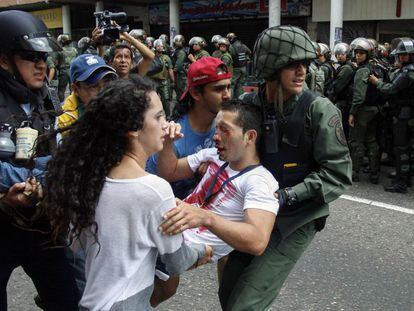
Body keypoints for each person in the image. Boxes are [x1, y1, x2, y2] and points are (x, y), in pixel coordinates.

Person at [44, 77, 211, 311]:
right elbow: (176, 262)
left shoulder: (90, 179)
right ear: (133, 128)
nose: (166, 124)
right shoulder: (155, 190)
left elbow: (78, 244)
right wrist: (203, 251)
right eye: (159, 116)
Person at [218, 25, 352, 310]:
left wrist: (289, 195)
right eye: (292, 64)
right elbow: (227, 152)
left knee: (246, 303)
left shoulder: (319, 110)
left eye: (304, 63)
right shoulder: (249, 105)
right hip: (256, 210)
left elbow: (337, 174)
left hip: (296, 218)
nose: (301, 71)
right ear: (271, 67)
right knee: (228, 292)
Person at [154, 99, 279, 305]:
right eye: (216, 128)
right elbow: (170, 171)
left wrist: (206, 218)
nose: (215, 137)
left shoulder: (260, 182)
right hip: (165, 233)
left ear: (250, 136)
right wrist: (167, 143)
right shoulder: (214, 156)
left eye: (224, 130)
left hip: (174, 247)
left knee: (158, 288)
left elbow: (257, 241)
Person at [0, 10, 80, 310]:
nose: (41, 65)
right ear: (4, 60)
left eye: (43, 58)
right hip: (2, 224)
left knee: (67, 300)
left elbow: (58, 152)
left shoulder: (44, 96)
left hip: (40, 224)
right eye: (30, 57)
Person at [146, 57, 232, 199]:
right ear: (196, 93)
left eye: (229, 87)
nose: (227, 95)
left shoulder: (225, 125)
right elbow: (151, 189)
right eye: (219, 89)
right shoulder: (172, 138)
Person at [369, 38, 414, 193]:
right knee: (405, 148)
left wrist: (376, 82)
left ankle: (401, 182)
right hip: (405, 114)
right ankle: (405, 177)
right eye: (401, 55)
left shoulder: (408, 72)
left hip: (403, 115)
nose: (401, 57)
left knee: (401, 149)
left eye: (405, 55)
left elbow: (391, 89)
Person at [348, 37, 385, 183]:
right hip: (376, 110)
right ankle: (374, 173)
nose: (358, 55)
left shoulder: (362, 71)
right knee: (371, 140)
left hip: (363, 111)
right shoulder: (377, 67)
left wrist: (352, 112)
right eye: (356, 53)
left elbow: (359, 96)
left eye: (361, 53)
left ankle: (354, 172)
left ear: (368, 54)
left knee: (357, 141)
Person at [58, 54, 118, 130]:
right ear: (75, 89)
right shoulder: (65, 121)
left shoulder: (116, 106)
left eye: (106, 83)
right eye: (94, 86)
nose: (103, 91)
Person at [330, 42, 356, 139]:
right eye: (337, 54)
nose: (339, 56)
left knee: (342, 131)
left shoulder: (346, 69)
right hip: (345, 103)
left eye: (342, 54)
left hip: (344, 104)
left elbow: (337, 87)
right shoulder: (345, 66)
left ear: (348, 55)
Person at [148, 39, 174, 117]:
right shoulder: (151, 56)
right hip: (153, 81)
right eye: (158, 46)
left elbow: (170, 69)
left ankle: (169, 116)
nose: (160, 47)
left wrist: (173, 81)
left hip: (164, 81)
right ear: (155, 47)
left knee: (165, 99)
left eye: (161, 46)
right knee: (152, 99)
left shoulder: (166, 58)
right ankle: (153, 115)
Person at [226, 32, 251, 98]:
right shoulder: (242, 44)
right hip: (244, 68)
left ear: (230, 39)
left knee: (232, 85)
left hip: (236, 68)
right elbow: (249, 51)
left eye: (228, 39)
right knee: (240, 84)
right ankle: (239, 100)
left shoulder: (231, 46)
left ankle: (230, 100)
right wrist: (246, 58)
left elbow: (231, 55)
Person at [55, 34, 78, 101]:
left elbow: (56, 63)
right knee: (73, 89)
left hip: (63, 72)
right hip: (73, 71)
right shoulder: (74, 50)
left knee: (61, 90)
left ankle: (61, 105)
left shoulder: (60, 50)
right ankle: (73, 103)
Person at [172, 34, 188, 100]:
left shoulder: (181, 52)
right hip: (179, 74)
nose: (178, 43)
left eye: (179, 41)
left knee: (181, 91)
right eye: (177, 41)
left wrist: (173, 71)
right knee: (178, 91)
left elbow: (178, 64)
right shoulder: (177, 51)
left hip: (180, 74)